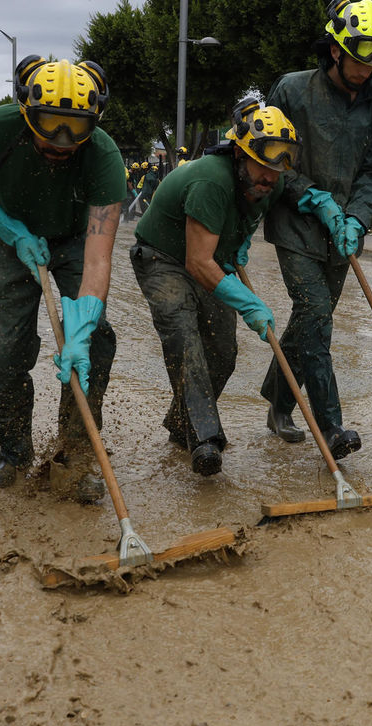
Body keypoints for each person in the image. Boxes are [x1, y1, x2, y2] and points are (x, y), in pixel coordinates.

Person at [0, 55, 127, 500]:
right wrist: (13, 232)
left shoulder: (105, 157)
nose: (62, 139)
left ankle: (72, 458)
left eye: (76, 127)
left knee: (95, 342)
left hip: (75, 239)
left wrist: (83, 325)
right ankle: (14, 452)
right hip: (8, 234)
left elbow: (97, 260)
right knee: (5, 357)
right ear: (26, 112)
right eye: (49, 123)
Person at [258, 0, 372, 459]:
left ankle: (278, 401)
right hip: (295, 221)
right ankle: (332, 426)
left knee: (310, 324)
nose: (369, 66)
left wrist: (356, 217)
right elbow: (269, 156)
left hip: (343, 232)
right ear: (336, 49)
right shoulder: (294, 91)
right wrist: (312, 197)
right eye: (361, 54)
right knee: (316, 312)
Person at [130, 99, 297, 475]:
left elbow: (243, 222)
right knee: (185, 336)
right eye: (262, 167)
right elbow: (196, 263)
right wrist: (248, 301)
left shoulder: (272, 178)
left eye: (277, 169)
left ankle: (182, 424)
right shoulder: (211, 179)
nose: (269, 178)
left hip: (210, 259)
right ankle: (205, 439)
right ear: (239, 155)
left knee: (222, 350)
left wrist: (238, 246)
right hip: (163, 258)